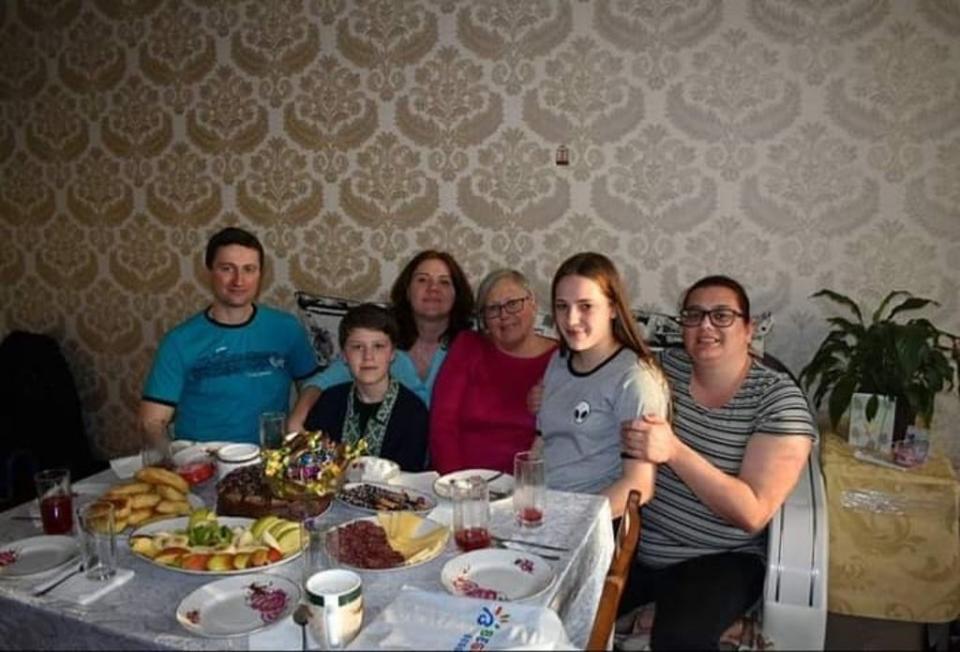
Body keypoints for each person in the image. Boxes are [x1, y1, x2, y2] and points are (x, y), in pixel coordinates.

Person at [618, 275, 817, 650]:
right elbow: (597, 374)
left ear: (748, 329)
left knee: (679, 640)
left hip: (721, 558)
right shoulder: (662, 369)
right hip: (638, 542)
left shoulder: (779, 401)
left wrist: (674, 450)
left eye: (722, 315)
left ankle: (672, 620)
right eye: (694, 315)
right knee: (571, 605)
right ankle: (656, 616)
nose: (706, 325)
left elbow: (752, 512)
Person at [139, 227, 318, 445]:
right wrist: (177, 465)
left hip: (268, 461)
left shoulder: (286, 329)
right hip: (204, 462)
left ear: (260, 274)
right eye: (227, 269)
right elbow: (152, 421)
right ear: (209, 272)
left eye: (249, 269)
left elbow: (313, 389)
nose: (239, 281)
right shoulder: (179, 342)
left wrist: (297, 432)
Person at [536, 252, 670, 518]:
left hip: (594, 522)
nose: (571, 320)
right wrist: (521, 497)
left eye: (586, 306)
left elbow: (639, 485)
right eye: (562, 306)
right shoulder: (559, 361)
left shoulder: (635, 379)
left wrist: (571, 523)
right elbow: (542, 444)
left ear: (612, 308)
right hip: (542, 510)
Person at [287, 250, 474, 431]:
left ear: (457, 293)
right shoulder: (380, 340)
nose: (433, 288)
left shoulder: (471, 347)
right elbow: (320, 383)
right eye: (422, 279)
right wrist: (296, 420)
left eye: (444, 282)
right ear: (407, 290)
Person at [430, 269, 557, 474]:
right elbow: (443, 425)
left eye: (513, 304)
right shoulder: (468, 346)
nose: (504, 315)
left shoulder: (560, 359)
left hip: (528, 483)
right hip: (462, 482)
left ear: (532, 303)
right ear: (484, 319)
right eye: (493, 309)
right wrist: (458, 483)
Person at [303, 304, 428, 471]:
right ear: (344, 356)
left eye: (378, 346)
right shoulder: (329, 401)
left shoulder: (413, 412)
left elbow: (409, 476)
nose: (368, 357)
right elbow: (311, 465)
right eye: (357, 347)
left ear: (392, 354)